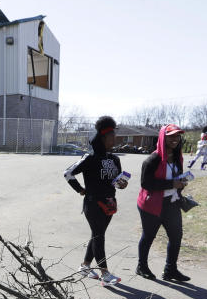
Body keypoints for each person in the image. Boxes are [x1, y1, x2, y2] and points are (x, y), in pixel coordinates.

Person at [64, 116, 128, 286]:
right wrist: (80, 189)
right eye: (111, 136)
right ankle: (105, 274)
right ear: (102, 138)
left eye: (115, 136)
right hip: (93, 204)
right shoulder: (90, 158)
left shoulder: (115, 159)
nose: (114, 139)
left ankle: (85, 266)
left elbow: (115, 180)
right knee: (99, 236)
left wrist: (122, 184)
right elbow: (68, 173)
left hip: (110, 203)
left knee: (97, 235)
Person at [136, 124, 191, 282]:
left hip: (171, 203)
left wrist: (181, 184)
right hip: (151, 204)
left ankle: (170, 270)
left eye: (177, 136)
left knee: (176, 236)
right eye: (171, 136)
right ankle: (141, 266)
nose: (175, 139)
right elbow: (145, 183)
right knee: (148, 236)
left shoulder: (178, 157)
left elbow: (175, 179)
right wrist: (171, 184)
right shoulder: (152, 159)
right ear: (163, 137)